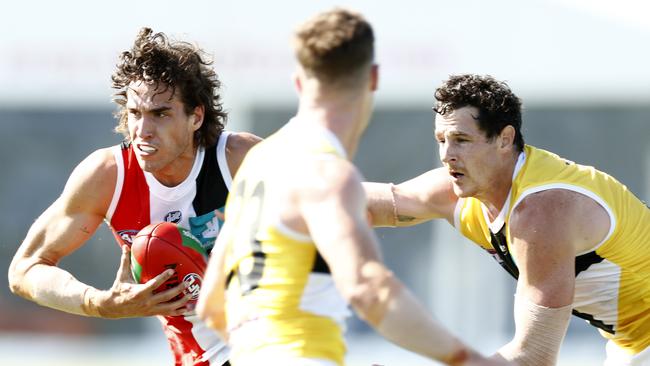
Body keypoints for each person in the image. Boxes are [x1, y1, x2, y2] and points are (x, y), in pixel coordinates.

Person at [196, 9, 508, 366]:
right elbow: (367, 287)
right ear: (373, 78)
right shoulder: (327, 172)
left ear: (299, 81)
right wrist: (468, 359)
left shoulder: (258, 163)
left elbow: (212, 305)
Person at [8, 27, 261, 366]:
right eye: (135, 113)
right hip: (201, 357)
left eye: (160, 113)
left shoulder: (241, 159)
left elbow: (335, 206)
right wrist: (98, 303)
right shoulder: (108, 176)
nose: (143, 130)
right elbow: (25, 270)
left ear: (196, 116)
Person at [363, 73, 650, 365]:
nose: (447, 155)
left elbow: (533, 357)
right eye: (441, 140)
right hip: (631, 343)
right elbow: (361, 205)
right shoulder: (459, 191)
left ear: (505, 139)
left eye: (461, 140)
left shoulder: (540, 211)